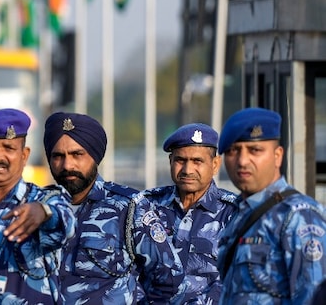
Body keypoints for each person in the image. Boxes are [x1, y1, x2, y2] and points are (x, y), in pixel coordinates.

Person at [43, 111, 182, 304]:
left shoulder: (129, 207)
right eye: (58, 156)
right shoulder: (38, 208)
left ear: (95, 157)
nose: (67, 165)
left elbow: (170, 279)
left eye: (77, 154)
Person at [0, 108, 76, 304]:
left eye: (8, 148)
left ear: (24, 155)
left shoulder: (45, 199)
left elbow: (66, 223)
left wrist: (44, 214)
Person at [216, 107, 326, 304]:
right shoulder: (240, 212)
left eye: (255, 150)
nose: (242, 161)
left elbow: (312, 296)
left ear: (277, 156)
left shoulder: (299, 216)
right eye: (233, 151)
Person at [142, 123, 237, 305]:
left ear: (215, 164)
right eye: (180, 160)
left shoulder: (234, 213)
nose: (187, 170)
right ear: (170, 161)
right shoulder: (146, 206)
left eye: (197, 161)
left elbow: (235, 279)